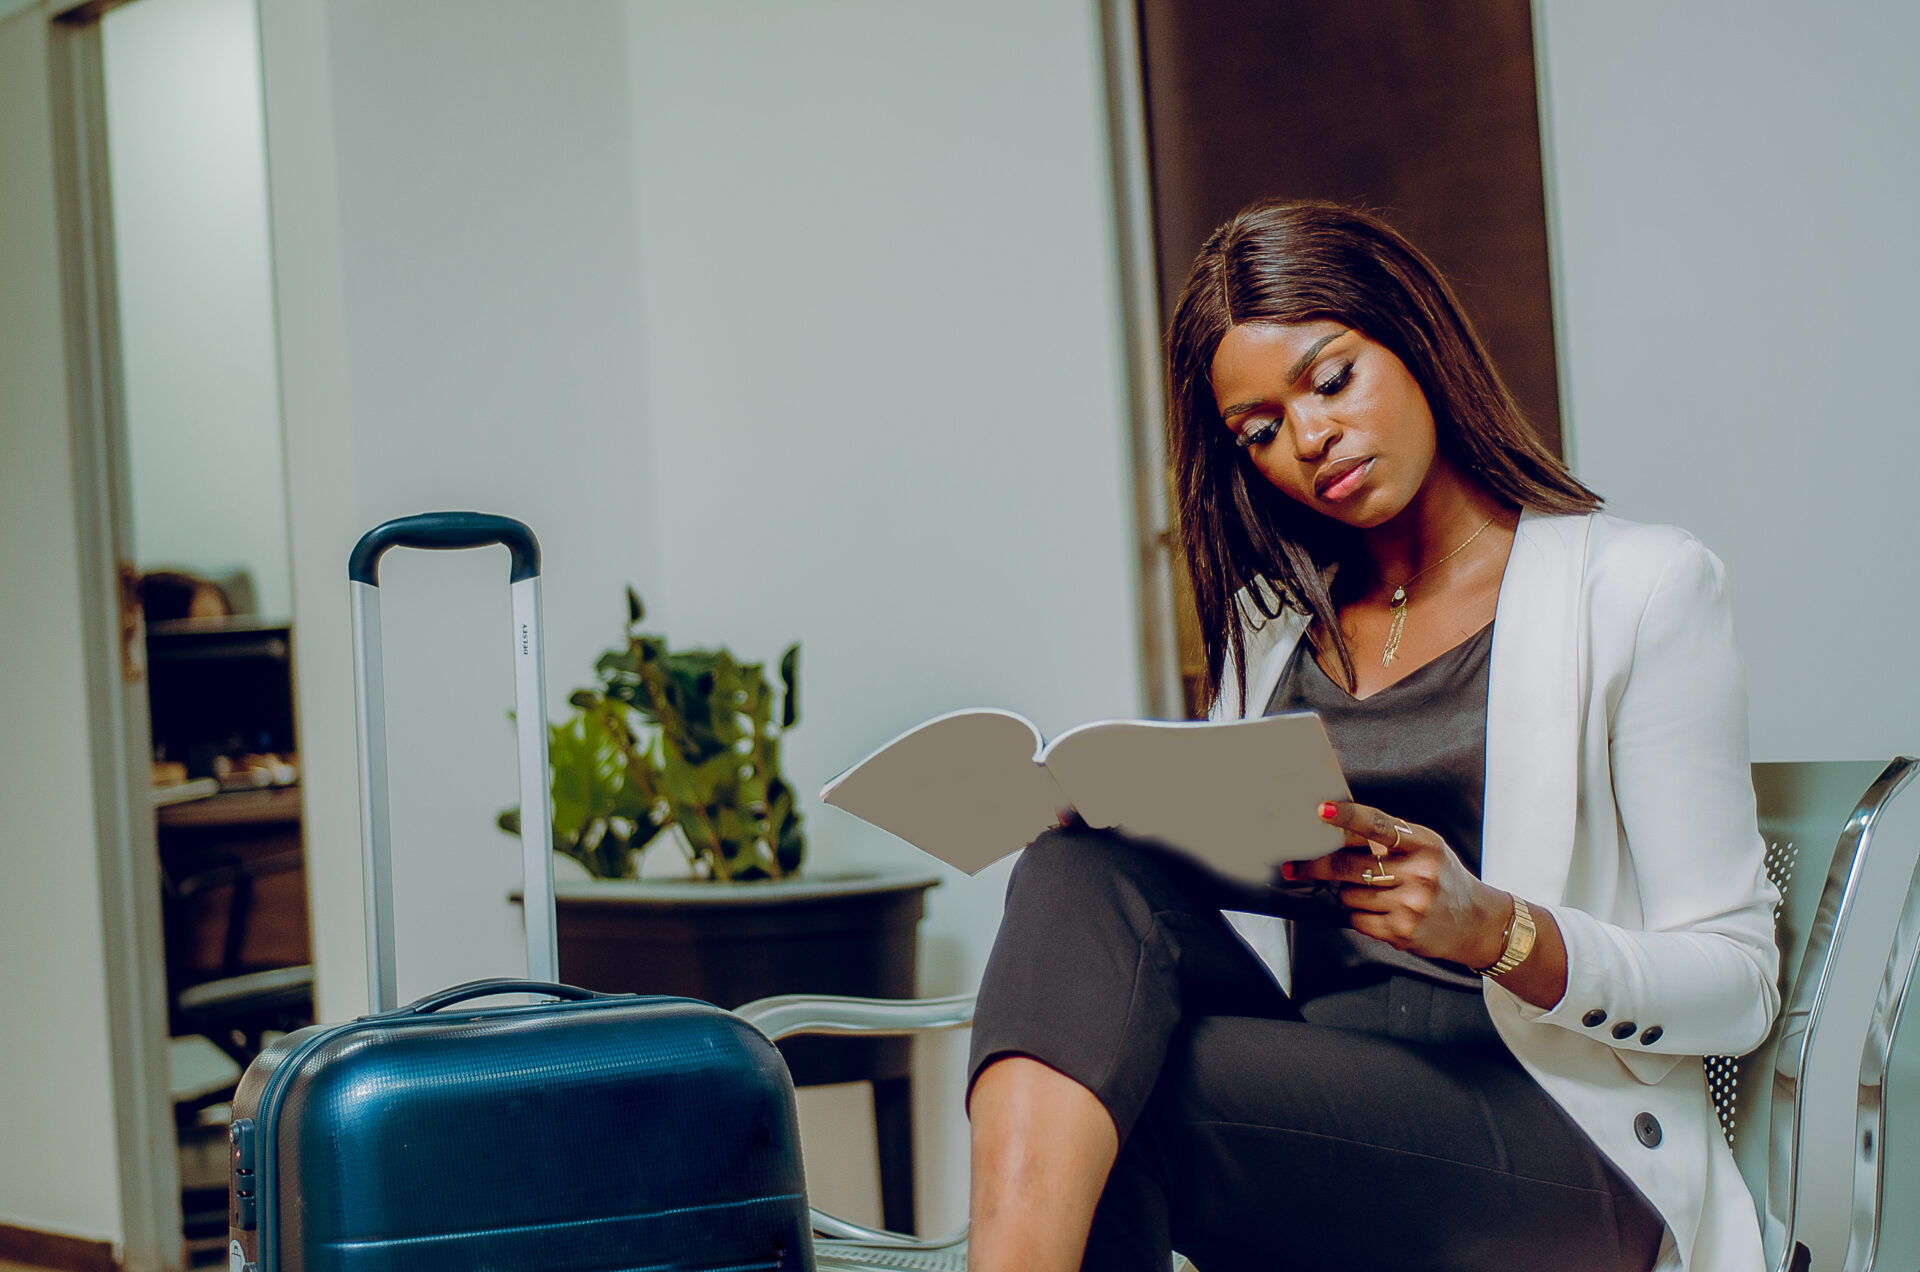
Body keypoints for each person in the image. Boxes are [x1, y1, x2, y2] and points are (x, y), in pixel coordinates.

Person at [964, 202, 1780, 1272]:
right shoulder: (1273, 631)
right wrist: (1135, 817)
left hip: (1559, 1138)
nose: (1308, 440)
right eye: (1259, 431)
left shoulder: (1637, 587)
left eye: (1331, 378)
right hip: (1331, 1098)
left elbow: (1738, 982)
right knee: (1074, 868)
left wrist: (1496, 930)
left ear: (1413, 334)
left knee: (1124, 1105)